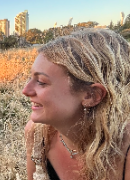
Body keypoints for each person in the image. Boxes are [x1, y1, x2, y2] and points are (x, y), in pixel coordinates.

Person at [22, 28, 130, 180]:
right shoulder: (37, 135)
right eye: (31, 77)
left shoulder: (126, 153)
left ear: (91, 95)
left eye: (41, 81)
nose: (25, 90)